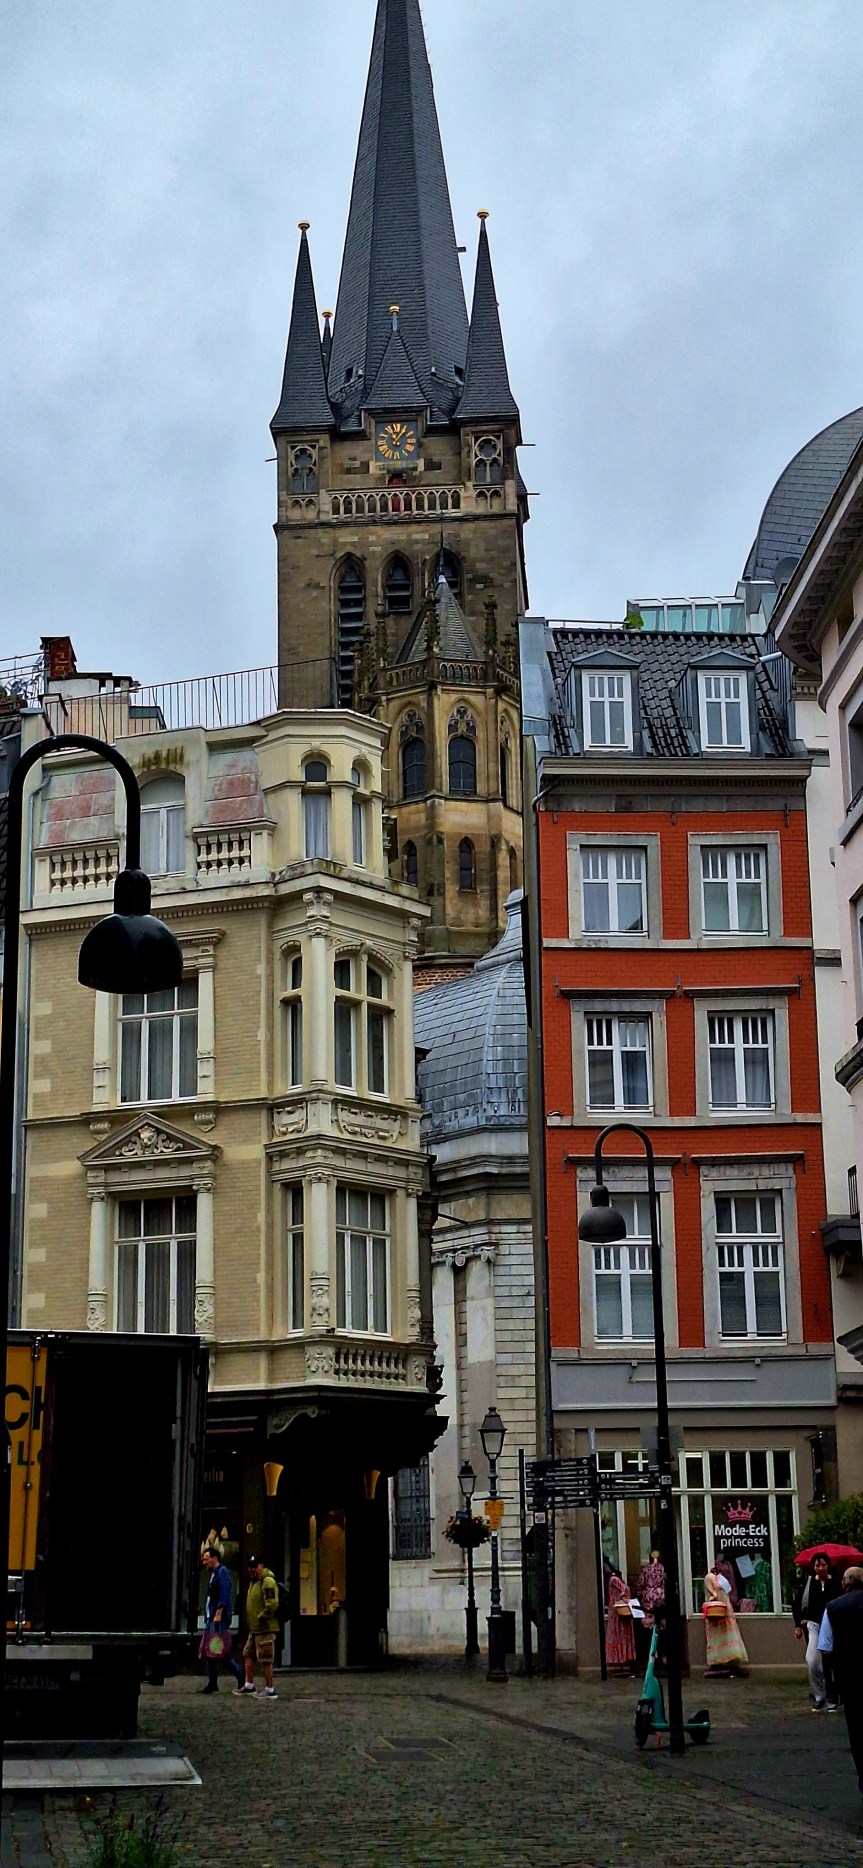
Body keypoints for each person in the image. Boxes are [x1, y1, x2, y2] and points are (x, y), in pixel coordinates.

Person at [818, 1565, 863, 1796]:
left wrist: (830, 1687)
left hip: (851, 1680)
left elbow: (825, 1650)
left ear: (845, 1584)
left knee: (857, 1734)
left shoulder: (834, 1608)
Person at [793, 1551, 839, 1711]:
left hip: (833, 1626)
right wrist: (798, 1624)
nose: (820, 1568)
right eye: (817, 1565)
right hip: (815, 1625)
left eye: (823, 1565)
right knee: (812, 1661)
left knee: (831, 1662)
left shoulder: (837, 1584)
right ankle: (819, 1696)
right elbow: (798, 1603)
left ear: (828, 1566)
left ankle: (833, 1696)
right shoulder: (808, 1584)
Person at [199, 1548, 243, 1694]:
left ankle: (240, 1675)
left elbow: (225, 1594)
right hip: (211, 1617)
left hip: (218, 1619)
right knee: (210, 1651)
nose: (204, 1562)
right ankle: (212, 1682)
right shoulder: (213, 1574)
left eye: (206, 1559)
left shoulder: (222, 1572)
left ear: (214, 1558)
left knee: (219, 1651)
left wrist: (219, 1612)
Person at [238, 1555, 280, 1699]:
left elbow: (272, 1603)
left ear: (261, 1566)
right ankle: (249, 1685)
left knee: (266, 1658)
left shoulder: (267, 1580)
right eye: (250, 1567)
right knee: (247, 1654)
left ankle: (270, 1689)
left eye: (255, 1567)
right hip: (255, 1628)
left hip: (265, 1627)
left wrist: (262, 1616)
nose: (252, 1570)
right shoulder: (254, 1581)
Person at [702, 1564, 748, 1677]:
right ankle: (718, 1662)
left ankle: (731, 1662)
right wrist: (714, 1597)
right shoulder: (709, 1578)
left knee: (729, 1637)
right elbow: (712, 1593)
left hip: (726, 1612)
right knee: (718, 1638)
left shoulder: (721, 1579)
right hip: (716, 1613)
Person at [635, 1548, 666, 1670]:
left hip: (648, 1600)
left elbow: (640, 1585)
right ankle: (662, 1653)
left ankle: (653, 1654)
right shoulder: (663, 1568)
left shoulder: (645, 1569)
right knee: (661, 1626)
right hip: (662, 1598)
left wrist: (639, 1594)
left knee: (649, 1628)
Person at [605, 1568, 637, 1675]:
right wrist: (625, 1598)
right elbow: (624, 1590)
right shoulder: (614, 1579)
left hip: (618, 1613)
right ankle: (623, 1659)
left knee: (622, 1637)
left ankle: (624, 1659)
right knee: (621, 1636)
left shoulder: (613, 1580)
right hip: (618, 1613)